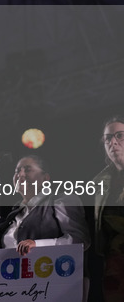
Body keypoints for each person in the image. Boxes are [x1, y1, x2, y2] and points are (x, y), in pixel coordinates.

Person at [0, 154, 90, 255]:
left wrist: (37, 244)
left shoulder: (61, 200)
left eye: (27, 169)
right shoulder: (14, 211)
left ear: (45, 177)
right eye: (17, 171)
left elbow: (79, 241)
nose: (20, 174)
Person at [94, 115, 124, 302]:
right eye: (108, 138)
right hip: (113, 264)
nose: (113, 141)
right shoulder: (99, 182)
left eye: (120, 135)